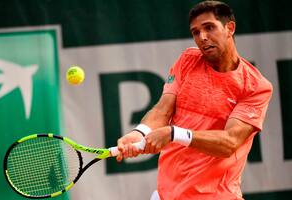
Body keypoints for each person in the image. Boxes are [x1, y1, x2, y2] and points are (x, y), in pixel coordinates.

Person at [116, 1, 273, 199]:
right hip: (166, 194)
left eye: (209, 28)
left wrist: (175, 133)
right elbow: (163, 110)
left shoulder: (256, 87)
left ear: (230, 28)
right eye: (196, 32)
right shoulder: (188, 60)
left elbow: (230, 142)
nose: (203, 37)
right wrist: (140, 132)